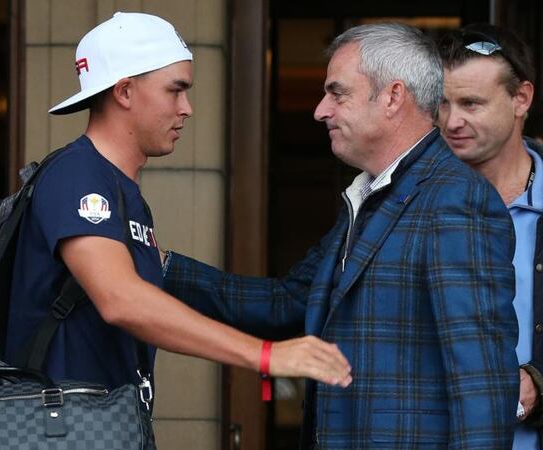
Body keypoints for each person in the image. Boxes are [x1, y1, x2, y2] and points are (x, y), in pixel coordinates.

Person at [163, 23, 519, 448]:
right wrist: (161, 265)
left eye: (338, 93)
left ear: (392, 96)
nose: (320, 110)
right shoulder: (369, 195)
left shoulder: (456, 199)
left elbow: (480, 385)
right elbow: (285, 303)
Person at [3, 11, 352, 400]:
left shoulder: (119, 189)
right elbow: (121, 299)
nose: (187, 108)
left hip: (103, 425)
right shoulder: (78, 174)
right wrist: (266, 355)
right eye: (175, 90)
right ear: (125, 91)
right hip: (59, 431)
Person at [438, 23, 543, 449]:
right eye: (441, 103)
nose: (451, 121)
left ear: (521, 98)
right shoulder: (408, 200)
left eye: (470, 103)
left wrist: (538, 380)